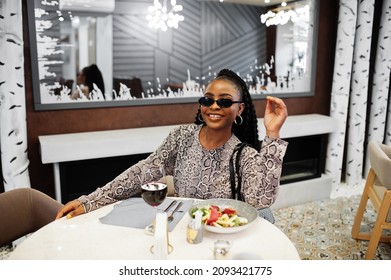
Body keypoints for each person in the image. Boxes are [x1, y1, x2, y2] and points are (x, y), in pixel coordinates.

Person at [56, 69, 288, 219]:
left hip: (224, 241)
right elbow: (142, 172)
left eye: (225, 101)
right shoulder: (181, 137)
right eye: (208, 99)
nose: (214, 106)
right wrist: (89, 201)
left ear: (240, 108)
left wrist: (272, 133)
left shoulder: (243, 155)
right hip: (186, 233)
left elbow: (262, 200)